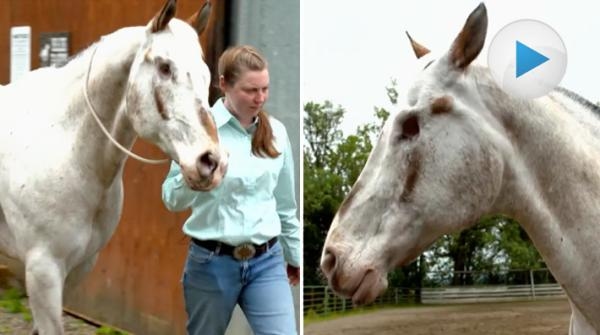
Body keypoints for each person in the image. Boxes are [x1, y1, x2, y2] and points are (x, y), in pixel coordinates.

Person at [162, 45, 300, 335]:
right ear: (224, 84)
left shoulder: (276, 133)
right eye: (250, 90)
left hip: (267, 263)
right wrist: (195, 180)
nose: (260, 98)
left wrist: (294, 255)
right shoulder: (199, 132)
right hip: (211, 265)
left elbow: (286, 205)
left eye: (265, 89)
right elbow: (171, 199)